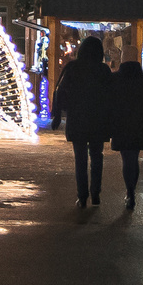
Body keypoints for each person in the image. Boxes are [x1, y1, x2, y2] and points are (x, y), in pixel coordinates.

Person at [51, 37, 113, 206]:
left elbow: (59, 91)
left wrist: (57, 114)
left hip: (77, 119)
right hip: (98, 121)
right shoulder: (103, 70)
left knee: (80, 158)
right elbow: (111, 97)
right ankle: (96, 193)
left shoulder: (72, 68)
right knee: (97, 156)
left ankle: (82, 196)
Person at [107, 50, 143, 209]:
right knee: (134, 157)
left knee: (127, 158)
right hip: (139, 123)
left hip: (120, 123)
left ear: (122, 61)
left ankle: (130, 192)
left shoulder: (114, 78)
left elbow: (109, 102)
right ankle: (131, 190)